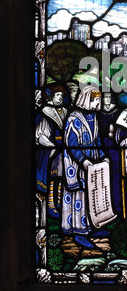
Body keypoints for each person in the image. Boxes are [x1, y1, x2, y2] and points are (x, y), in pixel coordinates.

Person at [61, 85, 109, 249]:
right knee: (79, 197)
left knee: (92, 195)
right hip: (77, 162)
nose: (98, 103)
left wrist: (103, 156)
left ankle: (92, 226)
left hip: (92, 161)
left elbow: (97, 140)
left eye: (99, 100)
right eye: (96, 100)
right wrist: (83, 160)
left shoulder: (93, 116)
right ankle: (78, 232)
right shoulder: (74, 118)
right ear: (86, 100)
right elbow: (71, 144)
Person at [35, 85, 67, 219]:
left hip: (63, 151)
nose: (60, 98)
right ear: (51, 97)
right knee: (52, 179)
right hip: (51, 152)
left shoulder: (65, 111)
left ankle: (59, 203)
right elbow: (40, 135)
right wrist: (52, 146)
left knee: (61, 178)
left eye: (62, 95)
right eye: (58, 95)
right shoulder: (45, 113)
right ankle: (50, 206)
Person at [100, 91, 123, 214]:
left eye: (109, 97)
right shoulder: (98, 112)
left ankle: (117, 206)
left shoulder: (118, 112)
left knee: (116, 174)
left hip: (115, 147)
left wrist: (115, 133)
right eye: (105, 97)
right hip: (101, 147)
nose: (107, 99)